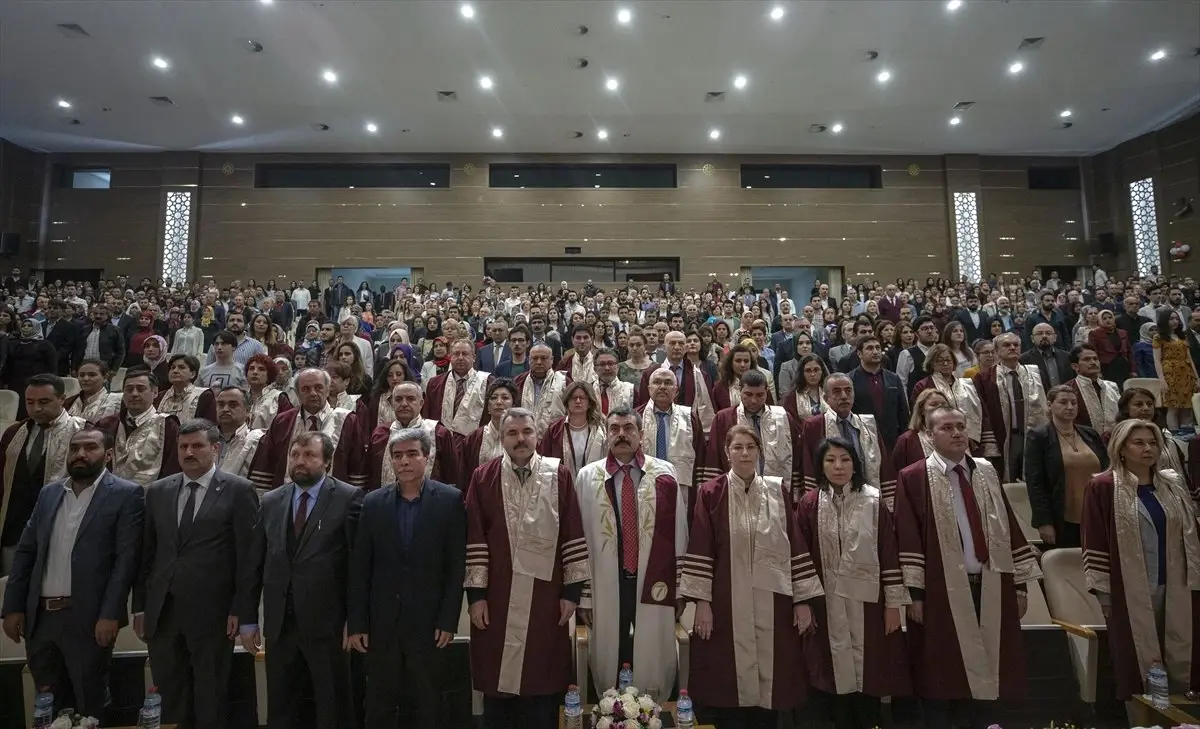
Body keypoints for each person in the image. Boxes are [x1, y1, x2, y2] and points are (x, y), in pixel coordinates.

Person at [894, 407, 1040, 729]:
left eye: (961, 426)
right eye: (947, 428)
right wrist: (915, 595)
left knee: (989, 671)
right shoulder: (913, 476)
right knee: (944, 675)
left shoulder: (987, 472)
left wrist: (1019, 585)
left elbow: (1009, 528)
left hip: (991, 584)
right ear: (930, 436)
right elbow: (908, 538)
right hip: (940, 591)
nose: (957, 432)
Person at [681, 424, 821, 727]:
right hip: (725, 597)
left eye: (751, 447)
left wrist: (802, 601)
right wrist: (701, 603)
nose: (744, 453)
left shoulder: (777, 490)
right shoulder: (711, 492)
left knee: (773, 682)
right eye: (737, 447)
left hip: (774, 599)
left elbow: (794, 542)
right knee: (726, 678)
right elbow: (701, 546)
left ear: (759, 451)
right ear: (726, 452)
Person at [0, 428, 144, 719]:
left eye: (90, 448)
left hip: (89, 618)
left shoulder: (126, 494)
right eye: (75, 448)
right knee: (48, 703)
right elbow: (27, 553)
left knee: (89, 703)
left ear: (108, 454)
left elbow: (125, 562)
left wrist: (111, 614)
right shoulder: (50, 493)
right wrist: (12, 607)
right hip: (41, 619)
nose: (80, 454)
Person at [464, 407, 589, 729]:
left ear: (538, 434)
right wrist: (476, 596)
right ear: (502, 437)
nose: (520, 439)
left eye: (527, 432)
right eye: (512, 433)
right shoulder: (483, 477)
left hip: (545, 594)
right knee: (498, 678)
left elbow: (572, 534)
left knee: (542, 674)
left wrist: (572, 594)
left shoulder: (558, 474)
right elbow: (475, 538)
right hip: (498, 595)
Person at [132, 419, 259, 729]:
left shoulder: (239, 490)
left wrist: (239, 609)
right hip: (162, 611)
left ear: (215, 449)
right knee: (170, 693)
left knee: (210, 694)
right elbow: (146, 554)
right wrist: (140, 606)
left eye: (197, 446)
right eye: (183, 446)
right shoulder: (159, 491)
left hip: (213, 612)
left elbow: (248, 557)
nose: (189, 452)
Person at [240, 431, 364, 729]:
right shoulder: (271, 500)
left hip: (329, 625)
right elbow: (254, 564)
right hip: (280, 625)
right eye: (295, 455)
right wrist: (247, 620)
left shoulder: (348, 497)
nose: (300, 462)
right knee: (281, 706)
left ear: (328, 462)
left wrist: (357, 620)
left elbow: (358, 566)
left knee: (332, 707)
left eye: (309, 455)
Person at [348, 427, 466, 729]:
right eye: (397, 456)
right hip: (381, 623)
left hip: (429, 623)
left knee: (428, 701)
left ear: (427, 457)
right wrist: (358, 623)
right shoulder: (373, 502)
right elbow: (360, 567)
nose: (404, 461)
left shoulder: (450, 500)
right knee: (379, 703)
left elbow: (455, 567)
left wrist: (447, 620)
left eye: (412, 454)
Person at [1082, 419, 1200, 702]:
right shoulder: (1103, 486)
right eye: (1139, 443)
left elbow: (1190, 533)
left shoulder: (1171, 485)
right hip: (1129, 588)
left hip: (1176, 584)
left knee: (1181, 648)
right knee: (1137, 656)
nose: (1148, 449)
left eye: (1152, 443)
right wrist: (1104, 593)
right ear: (1121, 449)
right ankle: (1142, 717)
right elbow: (1094, 539)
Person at [797, 437, 910, 729]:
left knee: (868, 673)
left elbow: (888, 553)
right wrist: (803, 603)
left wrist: (893, 605)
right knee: (827, 675)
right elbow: (800, 556)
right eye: (830, 459)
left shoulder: (873, 500)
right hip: (825, 603)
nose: (838, 466)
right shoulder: (810, 504)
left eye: (845, 459)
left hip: (869, 604)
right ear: (821, 466)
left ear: (855, 464)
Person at [574, 406, 687, 698]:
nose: (621, 434)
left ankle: (651, 705)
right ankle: (609, 706)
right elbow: (580, 537)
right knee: (611, 646)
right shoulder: (588, 476)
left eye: (628, 428)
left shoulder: (664, 472)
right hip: (606, 579)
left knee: (651, 647)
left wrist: (679, 587)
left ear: (641, 434)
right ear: (606, 434)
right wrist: (584, 593)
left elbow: (679, 531)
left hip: (653, 577)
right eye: (614, 429)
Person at [0, 375, 88, 574]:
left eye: (44, 402)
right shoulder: (14, 432)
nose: (36, 408)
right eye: (30, 402)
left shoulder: (84, 432)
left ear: (62, 399)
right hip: (13, 527)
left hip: (61, 528)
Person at [1023, 385, 1107, 549]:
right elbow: (1035, 483)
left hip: (1095, 515)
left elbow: (1106, 470)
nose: (1070, 407)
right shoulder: (1039, 436)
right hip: (1062, 517)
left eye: (1074, 403)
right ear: (1049, 405)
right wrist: (1044, 521)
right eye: (1063, 402)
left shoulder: (1090, 434)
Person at [248, 368, 360, 489]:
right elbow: (266, 465)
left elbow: (357, 469)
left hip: (333, 500)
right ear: (297, 393)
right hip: (288, 497)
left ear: (327, 390)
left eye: (318, 388)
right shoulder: (282, 421)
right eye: (306, 389)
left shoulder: (347, 421)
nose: (313, 393)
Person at [703, 369, 802, 498]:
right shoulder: (724, 419)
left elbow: (795, 457)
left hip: (776, 490)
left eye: (760, 395)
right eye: (748, 394)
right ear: (740, 390)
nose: (754, 400)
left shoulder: (783, 418)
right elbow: (714, 458)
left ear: (767, 392)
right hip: (736, 491)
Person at [974, 333, 1048, 482]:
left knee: (1036, 477)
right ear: (996, 351)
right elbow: (983, 412)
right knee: (1007, 479)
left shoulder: (1035, 374)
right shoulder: (984, 378)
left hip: (1032, 434)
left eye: (1016, 344)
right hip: (1005, 437)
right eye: (1007, 345)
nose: (1013, 347)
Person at [635, 368, 706, 521]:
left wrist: (701, 487)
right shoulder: (636, 418)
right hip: (643, 486)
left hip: (682, 486)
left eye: (668, 383)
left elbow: (700, 454)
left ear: (676, 389)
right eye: (657, 382)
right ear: (649, 388)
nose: (662, 387)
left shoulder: (690, 418)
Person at [364, 382, 459, 491]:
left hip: (431, 504)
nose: (404, 404)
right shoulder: (380, 434)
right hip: (386, 504)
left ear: (421, 403)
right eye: (398, 399)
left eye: (410, 399)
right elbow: (369, 475)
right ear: (392, 403)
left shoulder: (439, 433)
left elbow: (452, 477)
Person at [95, 368, 183, 485]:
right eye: (129, 389)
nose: (134, 394)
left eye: (141, 389)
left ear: (155, 392)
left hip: (150, 496)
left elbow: (173, 469)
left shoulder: (168, 425)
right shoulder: (107, 424)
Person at [910, 343, 986, 455]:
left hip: (972, 441)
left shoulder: (968, 384)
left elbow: (982, 412)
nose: (945, 363)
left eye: (948, 360)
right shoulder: (923, 385)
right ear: (932, 363)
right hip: (937, 442)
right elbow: (918, 415)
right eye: (940, 361)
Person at [635, 331, 716, 433]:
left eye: (681, 343)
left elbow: (705, 408)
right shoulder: (651, 373)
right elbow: (645, 404)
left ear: (686, 348)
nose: (677, 347)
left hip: (688, 429)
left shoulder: (699, 375)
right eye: (672, 343)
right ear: (664, 347)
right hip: (658, 427)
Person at [847, 336, 909, 451]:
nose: (875, 352)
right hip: (864, 440)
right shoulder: (850, 380)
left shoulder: (893, 378)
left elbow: (903, 412)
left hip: (892, 441)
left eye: (877, 348)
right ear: (859, 354)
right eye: (869, 348)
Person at [421, 339, 492, 439]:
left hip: (475, 442)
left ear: (474, 357)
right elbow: (428, 416)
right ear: (450, 357)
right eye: (456, 354)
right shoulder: (435, 383)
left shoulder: (487, 383)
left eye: (465, 354)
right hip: (442, 442)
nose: (460, 358)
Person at [537, 381, 606, 479]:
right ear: (567, 402)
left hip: (594, 484)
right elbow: (544, 461)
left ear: (590, 403)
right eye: (573, 398)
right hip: (562, 486)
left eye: (582, 398)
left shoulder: (600, 429)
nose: (578, 401)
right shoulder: (555, 429)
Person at [461, 378, 518, 481]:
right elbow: (465, 476)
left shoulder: (521, 437)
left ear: (513, 405)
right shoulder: (473, 439)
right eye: (494, 398)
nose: (499, 402)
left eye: (505, 398)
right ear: (488, 407)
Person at [1153, 307, 1200, 430]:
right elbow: (1157, 360)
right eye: (1171, 319)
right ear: (1164, 321)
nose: (1175, 321)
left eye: (1177, 319)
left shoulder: (1182, 335)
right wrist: (1162, 380)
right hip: (1170, 374)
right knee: (1173, 407)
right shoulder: (1159, 337)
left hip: (1186, 373)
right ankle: (1174, 437)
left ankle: (1186, 436)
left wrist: (1196, 377)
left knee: (1187, 407)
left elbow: (1189, 358)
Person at [512, 343, 569, 436]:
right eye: (534, 358)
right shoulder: (518, 382)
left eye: (543, 358)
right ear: (529, 360)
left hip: (555, 438)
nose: (539, 362)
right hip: (523, 438)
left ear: (552, 360)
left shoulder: (564, 381)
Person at [1067, 344, 1121, 438]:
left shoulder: (1112, 386)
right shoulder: (1068, 389)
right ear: (1075, 366)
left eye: (1095, 359)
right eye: (1087, 359)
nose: (1093, 362)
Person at [213, 386, 265, 482]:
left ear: (248, 410)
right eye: (220, 405)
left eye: (233, 405)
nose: (225, 409)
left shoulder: (258, 441)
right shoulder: (207, 439)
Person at [891, 389, 949, 474]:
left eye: (944, 404)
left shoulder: (957, 435)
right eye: (934, 404)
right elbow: (898, 473)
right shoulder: (906, 440)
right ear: (922, 410)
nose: (940, 407)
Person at [155, 354, 218, 423]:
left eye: (181, 367)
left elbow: (209, 426)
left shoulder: (204, 395)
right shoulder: (160, 396)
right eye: (172, 368)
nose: (175, 371)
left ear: (192, 374)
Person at [65, 359, 122, 424]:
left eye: (92, 375)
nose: (85, 379)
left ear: (105, 377)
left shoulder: (116, 402)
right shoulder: (69, 402)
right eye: (81, 375)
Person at [1020, 322, 1072, 393]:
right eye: (1039, 333)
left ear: (1055, 337)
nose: (1044, 336)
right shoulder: (1023, 359)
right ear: (1032, 339)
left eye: (1048, 333)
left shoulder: (1067, 357)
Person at [75, 304, 124, 374]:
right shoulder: (84, 329)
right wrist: (74, 368)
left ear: (107, 315)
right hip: (84, 366)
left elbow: (121, 352)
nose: (98, 316)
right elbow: (78, 350)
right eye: (95, 314)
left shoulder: (115, 330)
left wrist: (114, 369)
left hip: (105, 368)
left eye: (101, 314)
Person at [1088, 309, 1132, 386]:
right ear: (1099, 321)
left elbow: (1129, 352)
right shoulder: (1094, 334)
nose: (1108, 320)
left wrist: (1133, 370)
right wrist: (1097, 371)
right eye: (1104, 318)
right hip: (1107, 367)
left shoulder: (1123, 332)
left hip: (1124, 365)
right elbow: (1094, 353)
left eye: (1110, 317)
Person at [593, 347, 632, 415]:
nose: (607, 368)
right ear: (595, 369)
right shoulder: (588, 390)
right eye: (602, 364)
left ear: (618, 367)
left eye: (610, 364)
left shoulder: (630, 390)